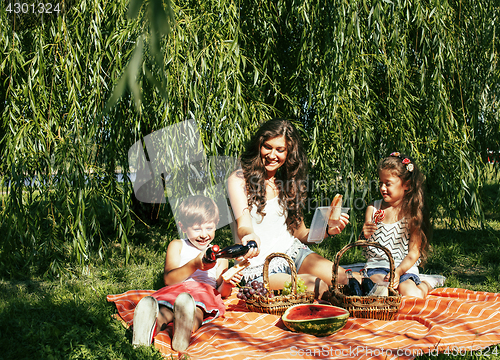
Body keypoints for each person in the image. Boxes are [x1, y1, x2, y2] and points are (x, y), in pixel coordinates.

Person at [227, 118, 351, 299]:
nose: (272, 155)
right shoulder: (239, 179)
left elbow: (300, 233)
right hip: (261, 267)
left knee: (344, 279)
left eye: (280, 150)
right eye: (267, 147)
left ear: (289, 153)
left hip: (294, 253)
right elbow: (243, 224)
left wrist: (328, 230)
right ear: (258, 145)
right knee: (317, 286)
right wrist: (248, 236)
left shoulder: (288, 183)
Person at [132, 195, 242, 351]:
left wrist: (228, 283)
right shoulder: (177, 245)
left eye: (209, 228)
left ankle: (182, 334)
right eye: (197, 229)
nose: (204, 234)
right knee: (165, 310)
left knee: (195, 311)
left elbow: (221, 292)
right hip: (176, 289)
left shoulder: (220, 256)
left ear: (216, 225)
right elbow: (169, 280)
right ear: (183, 227)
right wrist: (194, 265)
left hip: (204, 293)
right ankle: (147, 327)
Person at [361, 152, 435, 298]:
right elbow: (364, 247)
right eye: (381, 183)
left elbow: (414, 253)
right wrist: (365, 235)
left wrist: (399, 271)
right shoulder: (373, 209)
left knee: (412, 295)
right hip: (378, 266)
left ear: (406, 185)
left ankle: (428, 283)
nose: (382, 188)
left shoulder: (412, 214)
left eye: (388, 183)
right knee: (378, 294)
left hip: (404, 268)